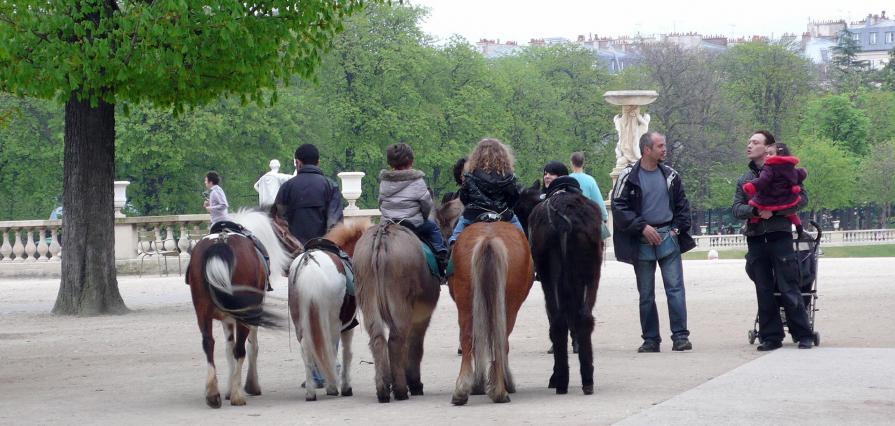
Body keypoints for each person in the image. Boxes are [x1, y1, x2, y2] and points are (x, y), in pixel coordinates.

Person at [612, 131, 695, 353]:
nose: (664, 149)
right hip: (642, 240)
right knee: (646, 294)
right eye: (660, 146)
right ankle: (651, 339)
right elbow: (618, 207)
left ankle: (680, 336)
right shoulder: (628, 175)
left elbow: (682, 206)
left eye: (664, 145)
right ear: (647, 150)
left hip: (668, 237)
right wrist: (642, 227)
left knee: (675, 289)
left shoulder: (671, 175)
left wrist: (676, 230)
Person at [733, 131, 813, 351]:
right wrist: (756, 210)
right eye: (749, 141)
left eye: (755, 142)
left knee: (789, 285)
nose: (749, 145)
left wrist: (776, 211)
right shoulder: (745, 179)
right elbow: (736, 208)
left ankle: (802, 333)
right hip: (756, 237)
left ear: (768, 148)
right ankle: (771, 336)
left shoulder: (785, 172)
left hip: (780, 235)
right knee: (763, 288)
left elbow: (802, 199)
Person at [378, 143, 448, 274]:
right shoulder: (417, 181)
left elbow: (380, 204)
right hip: (412, 224)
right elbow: (427, 205)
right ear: (411, 161)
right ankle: (441, 257)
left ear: (390, 164)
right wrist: (423, 215)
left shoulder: (384, 181)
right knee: (433, 228)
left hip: (387, 224)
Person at [449, 138, 524, 244]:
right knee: (524, 242)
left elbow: (464, 198)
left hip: (474, 215)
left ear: (477, 155)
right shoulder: (509, 176)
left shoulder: (469, 175)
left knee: (454, 242)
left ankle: (447, 257)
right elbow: (513, 200)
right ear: (502, 156)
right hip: (502, 214)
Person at [274, 144, 344, 246]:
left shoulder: (286, 187)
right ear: (318, 162)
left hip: (293, 252)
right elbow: (335, 226)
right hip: (324, 250)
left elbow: (279, 223)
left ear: (298, 163)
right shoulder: (331, 186)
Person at [742, 142, 807, 236]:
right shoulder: (791, 168)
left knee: (759, 205)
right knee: (793, 214)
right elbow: (737, 209)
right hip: (787, 198)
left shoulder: (768, 168)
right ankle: (799, 228)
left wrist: (752, 186)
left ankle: (752, 227)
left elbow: (762, 180)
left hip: (780, 232)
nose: (767, 156)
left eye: (770, 154)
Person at [569, 152, 611, 240]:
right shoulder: (590, 180)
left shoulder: (567, 179)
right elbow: (598, 200)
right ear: (583, 163)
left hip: (570, 221)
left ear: (572, 163)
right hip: (587, 221)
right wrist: (604, 217)